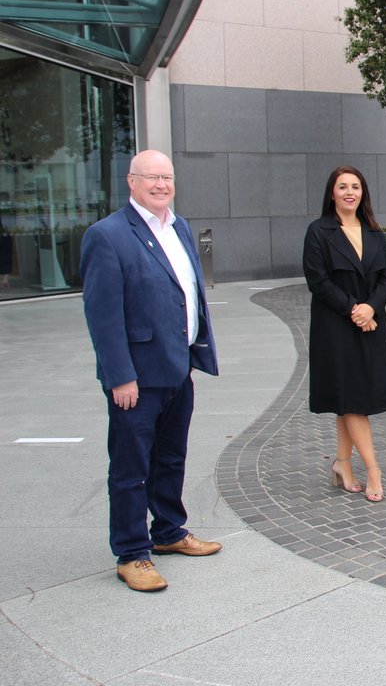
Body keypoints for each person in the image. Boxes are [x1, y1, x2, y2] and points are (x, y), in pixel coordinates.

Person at [80, 149, 221, 593]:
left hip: (178, 367)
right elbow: (103, 315)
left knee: (171, 457)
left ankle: (168, 532)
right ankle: (131, 553)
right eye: (152, 178)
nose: (161, 185)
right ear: (132, 182)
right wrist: (119, 376)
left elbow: (186, 293)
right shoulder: (107, 236)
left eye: (167, 177)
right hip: (136, 379)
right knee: (130, 467)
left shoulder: (179, 227)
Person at [302, 166, 386, 503]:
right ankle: (373, 470)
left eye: (355, 186)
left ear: (363, 193)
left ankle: (342, 464)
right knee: (354, 400)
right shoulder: (319, 232)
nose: (349, 192)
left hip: (372, 324)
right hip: (335, 328)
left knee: (351, 398)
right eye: (342, 186)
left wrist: (371, 308)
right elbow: (318, 281)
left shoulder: (373, 231)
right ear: (332, 193)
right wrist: (354, 310)